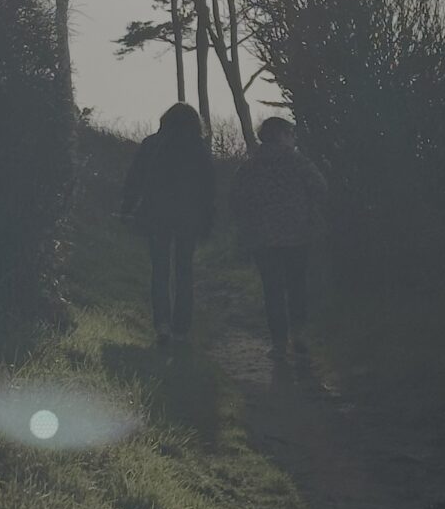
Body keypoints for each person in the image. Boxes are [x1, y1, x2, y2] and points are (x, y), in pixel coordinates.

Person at [232, 116, 327, 360]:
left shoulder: (250, 165)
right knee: (297, 286)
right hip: (297, 234)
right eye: (290, 134)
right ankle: (299, 335)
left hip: (262, 237)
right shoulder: (298, 162)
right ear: (283, 135)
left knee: (272, 290)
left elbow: (239, 199)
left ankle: (279, 342)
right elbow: (320, 186)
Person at [120, 103, 215, 345]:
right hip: (188, 216)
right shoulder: (199, 148)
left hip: (157, 214)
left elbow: (135, 178)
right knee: (185, 270)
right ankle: (181, 329)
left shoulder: (151, 144)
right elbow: (208, 189)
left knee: (160, 270)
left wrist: (127, 209)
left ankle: (162, 324)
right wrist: (208, 220)